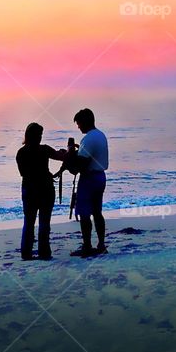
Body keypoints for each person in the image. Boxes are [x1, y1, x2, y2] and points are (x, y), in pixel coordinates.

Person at [15, 123, 67, 260]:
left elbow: (23, 173)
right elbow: (60, 156)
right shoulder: (44, 150)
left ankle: (26, 253)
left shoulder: (21, 153)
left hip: (29, 190)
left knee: (29, 223)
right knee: (44, 223)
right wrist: (67, 152)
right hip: (45, 190)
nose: (40, 137)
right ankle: (44, 252)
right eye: (39, 135)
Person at [70, 108, 109, 257]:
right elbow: (91, 155)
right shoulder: (100, 135)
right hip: (100, 177)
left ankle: (87, 246)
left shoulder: (88, 139)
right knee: (97, 212)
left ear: (85, 122)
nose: (78, 126)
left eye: (79, 123)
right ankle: (101, 244)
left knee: (85, 213)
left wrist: (70, 157)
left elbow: (81, 164)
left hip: (89, 178)